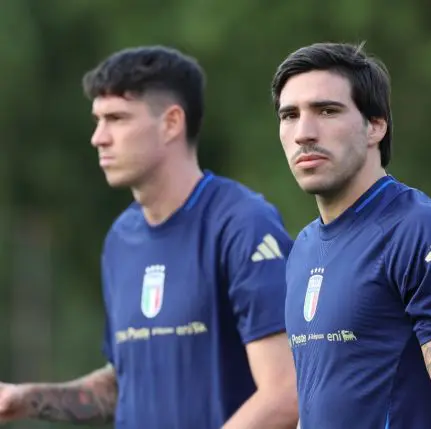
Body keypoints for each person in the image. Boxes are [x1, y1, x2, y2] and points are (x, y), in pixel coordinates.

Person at [0, 45, 299, 428]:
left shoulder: (242, 224)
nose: (98, 137)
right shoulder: (121, 239)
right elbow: (124, 385)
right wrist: (27, 400)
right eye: (98, 119)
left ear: (171, 123)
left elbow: (286, 394)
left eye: (117, 118)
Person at [271, 42, 431, 429]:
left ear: (376, 125)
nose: (304, 132)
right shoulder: (303, 248)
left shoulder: (421, 231)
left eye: (326, 110)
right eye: (289, 115)